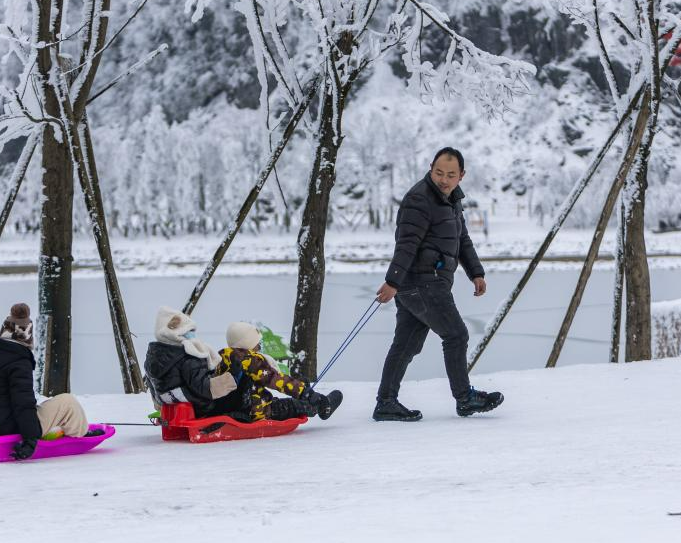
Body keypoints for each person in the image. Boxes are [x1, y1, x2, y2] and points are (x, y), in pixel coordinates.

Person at [373, 147, 504, 421]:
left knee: (406, 345)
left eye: (451, 175)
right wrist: (392, 281)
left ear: (461, 176)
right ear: (431, 168)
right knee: (456, 335)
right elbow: (407, 243)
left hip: (420, 283)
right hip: (423, 282)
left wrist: (476, 273)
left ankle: (386, 402)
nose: (444, 180)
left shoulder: (451, 200)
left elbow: (462, 240)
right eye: (439, 173)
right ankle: (464, 398)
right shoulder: (419, 199)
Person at [144, 307, 342, 422]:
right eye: (257, 343)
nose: (258, 347)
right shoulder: (246, 358)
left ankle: (306, 395)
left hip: (223, 406)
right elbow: (273, 378)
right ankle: (320, 407)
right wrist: (307, 394)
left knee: (280, 396)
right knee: (291, 406)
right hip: (253, 408)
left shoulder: (221, 356)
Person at [0, 303, 103, 460]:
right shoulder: (18, 361)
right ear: (28, 337)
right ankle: (81, 434)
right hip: (6, 428)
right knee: (68, 401)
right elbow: (22, 403)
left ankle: (59, 427)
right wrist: (30, 438)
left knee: (37, 407)